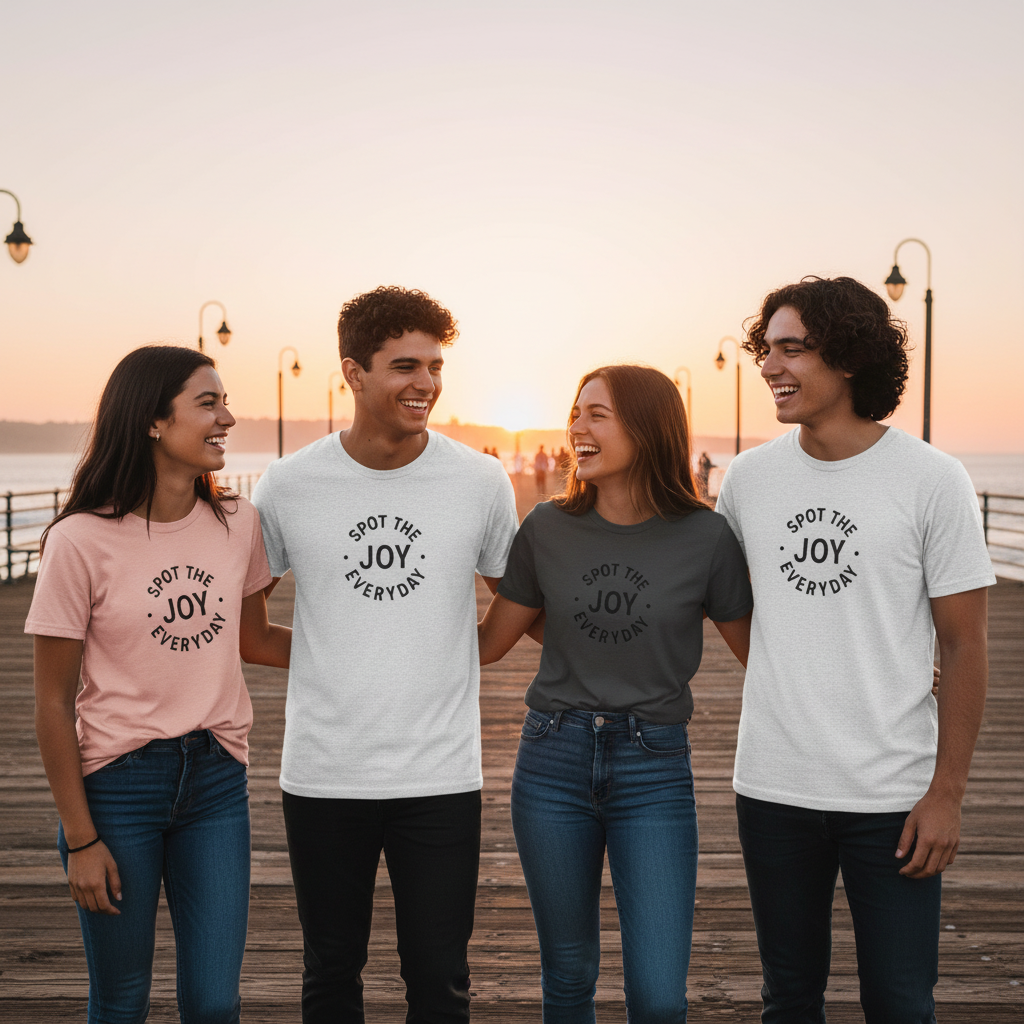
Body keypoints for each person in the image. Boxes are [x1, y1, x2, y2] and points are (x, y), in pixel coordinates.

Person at [716, 276, 994, 1023]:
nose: (771, 366)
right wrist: (790, 673)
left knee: (901, 1003)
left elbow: (966, 644)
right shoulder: (747, 479)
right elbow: (732, 609)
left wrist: (947, 795)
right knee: (789, 998)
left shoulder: (932, 480)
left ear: (848, 358)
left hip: (894, 796)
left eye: (793, 350)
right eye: (765, 350)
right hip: (773, 787)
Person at [251, 285, 519, 1022]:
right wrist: (339, 655)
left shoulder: (479, 480)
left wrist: (451, 651)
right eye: (405, 366)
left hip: (440, 774)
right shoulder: (289, 484)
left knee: (439, 978)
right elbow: (249, 629)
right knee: (330, 972)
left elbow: (517, 604)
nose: (426, 384)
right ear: (353, 373)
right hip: (323, 772)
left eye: (435, 366)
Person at [478, 364, 753, 1022]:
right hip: (551, 760)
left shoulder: (707, 538)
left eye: (596, 414)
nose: (577, 427)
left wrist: (895, 670)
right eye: (576, 413)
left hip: (653, 766)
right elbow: (487, 645)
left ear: (647, 427)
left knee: (658, 997)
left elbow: (766, 659)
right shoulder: (546, 527)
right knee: (568, 975)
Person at [27, 345, 291, 1023]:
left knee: (213, 1003)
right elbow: (53, 704)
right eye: (209, 403)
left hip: (215, 783)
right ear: (151, 420)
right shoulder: (79, 540)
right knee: (120, 1000)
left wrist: (372, 652)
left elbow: (255, 641)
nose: (228, 417)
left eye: (224, 402)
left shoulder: (239, 522)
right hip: (118, 788)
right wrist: (80, 839)